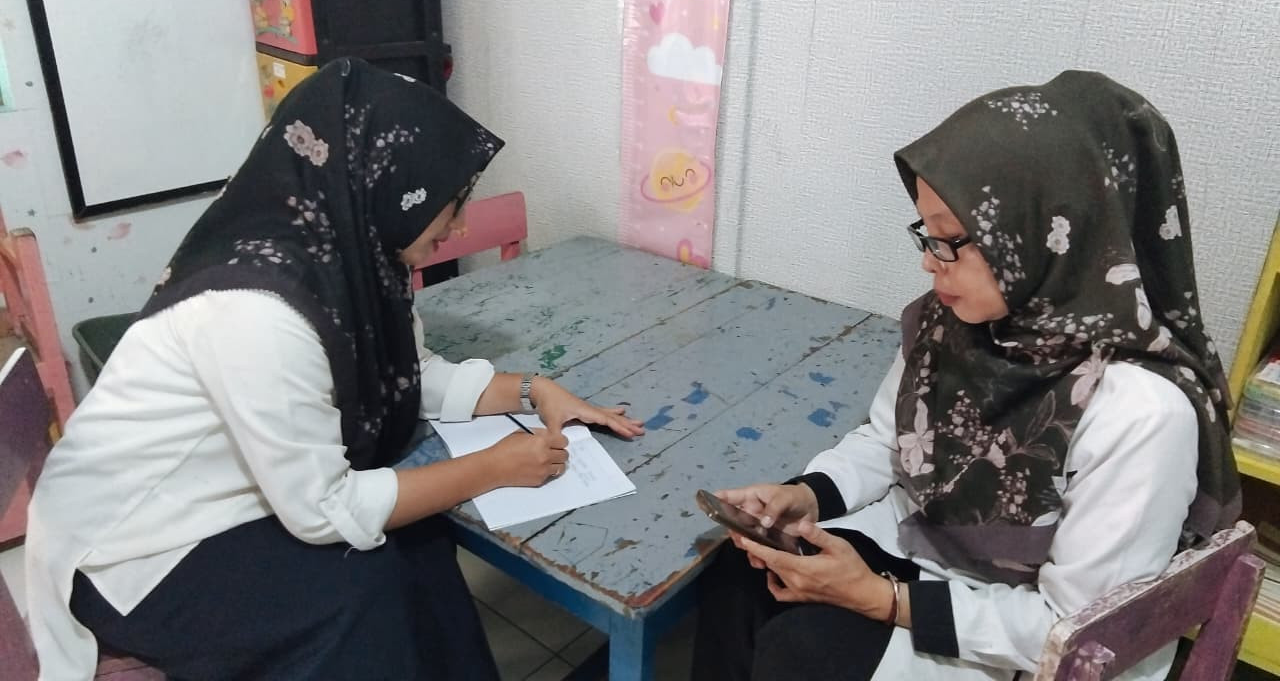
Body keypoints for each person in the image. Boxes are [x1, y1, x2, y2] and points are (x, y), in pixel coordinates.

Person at [25, 58, 644, 680]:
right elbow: (323, 511)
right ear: (393, 187)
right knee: (358, 590)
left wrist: (534, 389)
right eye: (452, 204)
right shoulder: (256, 311)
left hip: (228, 496)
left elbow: (406, 374)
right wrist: (492, 467)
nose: (459, 225)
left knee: (422, 537)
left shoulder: (354, 258)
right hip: (133, 549)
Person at [692, 71, 1239, 681]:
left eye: (953, 240)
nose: (931, 263)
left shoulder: (1139, 412)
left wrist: (876, 598)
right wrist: (806, 496)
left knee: (807, 649)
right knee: (740, 573)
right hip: (928, 550)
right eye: (927, 235)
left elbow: (1076, 630)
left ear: (1052, 234)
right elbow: (890, 440)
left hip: (1032, 640)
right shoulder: (953, 322)